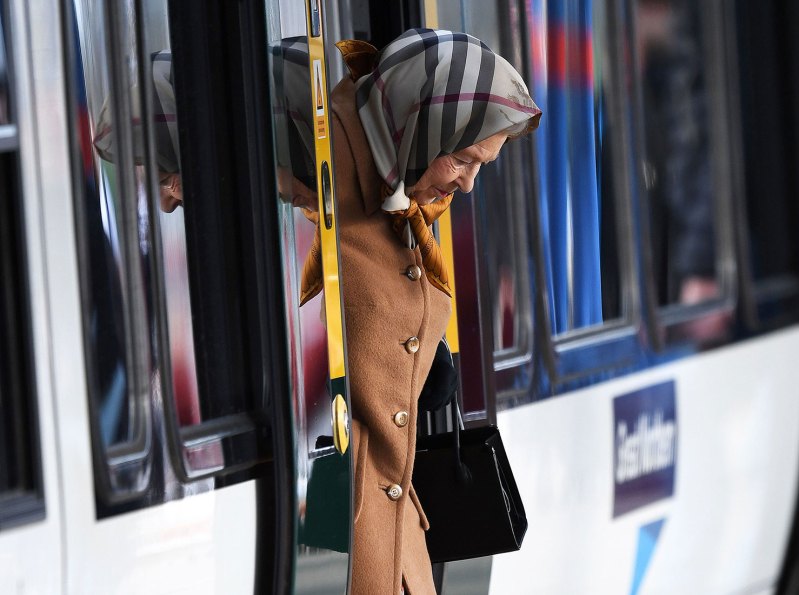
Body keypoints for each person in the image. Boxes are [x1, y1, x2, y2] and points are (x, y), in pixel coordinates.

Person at [300, 29, 540, 594]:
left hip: (397, 534)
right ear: (420, 126)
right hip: (339, 540)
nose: (470, 183)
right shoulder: (320, 180)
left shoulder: (401, 191)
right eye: (462, 159)